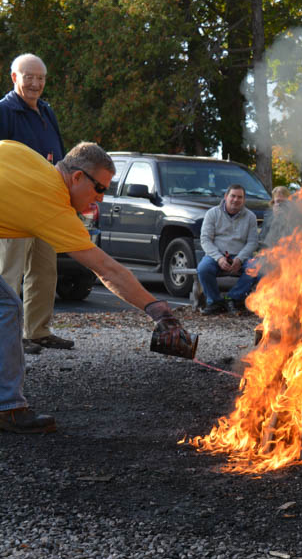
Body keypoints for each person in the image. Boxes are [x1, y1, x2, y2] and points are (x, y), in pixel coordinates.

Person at [0, 140, 191, 434]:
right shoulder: (54, 206)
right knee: (7, 306)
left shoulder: (27, 155)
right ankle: (8, 408)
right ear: (77, 177)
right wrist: (159, 310)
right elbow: (107, 270)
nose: (100, 199)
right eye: (99, 189)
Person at [0, 53, 69, 355]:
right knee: (9, 273)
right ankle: (9, 336)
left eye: (40, 78)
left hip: (45, 204)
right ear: (14, 77)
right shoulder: (4, 112)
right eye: (29, 76)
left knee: (45, 269)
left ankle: (38, 331)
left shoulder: (46, 111)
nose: (36, 83)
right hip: (14, 207)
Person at [197, 184, 259, 315]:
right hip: (216, 255)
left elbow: (252, 242)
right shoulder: (212, 213)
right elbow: (205, 240)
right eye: (233, 196)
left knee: (256, 268)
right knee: (203, 269)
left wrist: (240, 259)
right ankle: (214, 302)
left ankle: (233, 298)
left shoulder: (250, 217)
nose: (236, 200)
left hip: (240, 255)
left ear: (244, 200)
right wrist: (219, 258)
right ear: (226, 197)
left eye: (239, 197)